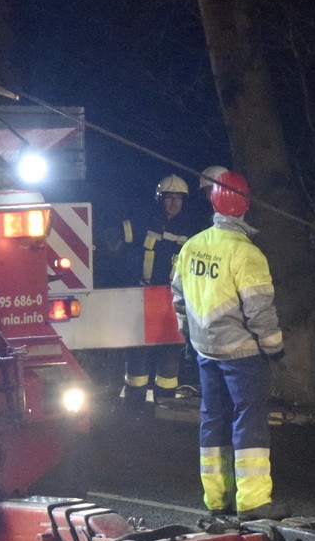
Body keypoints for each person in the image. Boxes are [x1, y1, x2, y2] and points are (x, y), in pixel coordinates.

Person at [171, 171, 289, 522]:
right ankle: (253, 501)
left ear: (214, 203)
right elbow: (260, 312)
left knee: (212, 420)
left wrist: (188, 337)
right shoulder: (246, 253)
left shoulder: (192, 245)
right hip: (243, 355)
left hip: (205, 351)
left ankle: (217, 498)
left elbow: (179, 299)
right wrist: (275, 349)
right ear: (245, 207)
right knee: (248, 422)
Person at [122, 174, 202, 408]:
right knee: (139, 348)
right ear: (160, 199)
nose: (174, 203)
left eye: (178, 199)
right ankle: (134, 402)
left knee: (169, 351)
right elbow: (127, 246)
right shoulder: (145, 221)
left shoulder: (191, 228)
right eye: (169, 198)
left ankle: (165, 402)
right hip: (143, 293)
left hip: (173, 297)